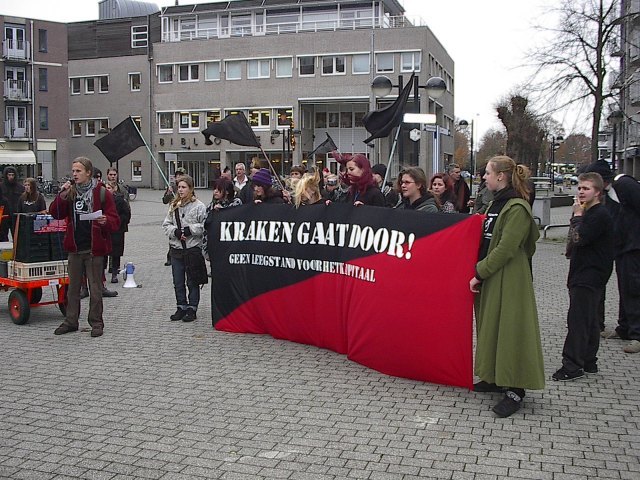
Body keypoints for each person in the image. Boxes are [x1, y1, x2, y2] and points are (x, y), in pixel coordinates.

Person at [469, 156, 544, 418]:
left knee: (511, 330)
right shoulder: (495, 204)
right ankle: (493, 376)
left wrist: (480, 271)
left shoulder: (517, 208)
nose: (484, 178)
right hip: (493, 275)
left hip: (509, 278)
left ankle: (516, 388)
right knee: (491, 327)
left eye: (487, 173)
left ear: (501, 175)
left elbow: (507, 248)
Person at [552, 172, 613, 380]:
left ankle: (572, 365)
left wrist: (577, 217)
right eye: (579, 188)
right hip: (585, 272)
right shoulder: (591, 212)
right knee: (590, 319)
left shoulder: (599, 215)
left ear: (597, 191)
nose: (581, 192)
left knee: (578, 320)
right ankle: (589, 361)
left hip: (590, 274)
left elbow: (579, 238)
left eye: (586, 189)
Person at [50, 157, 120, 338]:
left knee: (95, 288)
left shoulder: (102, 193)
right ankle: (71, 321)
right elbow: (55, 213)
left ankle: (96, 323)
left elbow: (115, 221)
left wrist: (105, 221)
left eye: (78, 171)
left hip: (94, 248)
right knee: (73, 288)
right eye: (73, 171)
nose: (74, 174)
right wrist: (61, 194)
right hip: (74, 247)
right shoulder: (70, 192)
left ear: (88, 173)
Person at [162, 174, 207, 322]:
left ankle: (192, 308)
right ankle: (181, 306)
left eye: (183, 187)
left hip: (192, 248)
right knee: (178, 281)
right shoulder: (174, 205)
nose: (180, 190)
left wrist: (189, 230)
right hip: (176, 249)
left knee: (192, 280)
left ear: (190, 188)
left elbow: (204, 226)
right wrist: (175, 232)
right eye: (179, 187)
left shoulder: (199, 206)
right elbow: (166, 224)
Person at [608, 173, 640, 353]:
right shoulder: (611, 191)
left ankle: (637, 334)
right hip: (622, 247)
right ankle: (624, 327)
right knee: (625, 288)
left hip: (633, 247)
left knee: (634, 288)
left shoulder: (625, 185)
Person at [105, 182, 131, 284]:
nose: (107, 190)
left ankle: (114, 273)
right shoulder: (101, 200)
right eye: (106, 188)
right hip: (105, 229)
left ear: (114, 189)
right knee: (103, 253)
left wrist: (117, 221)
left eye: (109, 188)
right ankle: (102, 274)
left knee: (116, 252)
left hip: (117, 230)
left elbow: (127, 214)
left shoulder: (120, 200)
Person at [162, 167, 185, 265]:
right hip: (173, 214)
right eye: (177, 175)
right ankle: (170, 257)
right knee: (173, 235)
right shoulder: (171, 187)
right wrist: (168, 192)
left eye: (181, 175)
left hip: (184, 214)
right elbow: (164, 200)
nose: (178, 177)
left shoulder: (186, 187)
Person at [1, 166, 25, 239]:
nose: (11, 177)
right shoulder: (1, 186)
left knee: (17, 237)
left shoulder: (20, 187)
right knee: (2, 237)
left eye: (12, 175)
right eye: (9, 175)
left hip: (15, 215)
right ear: (6, 175)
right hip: (3, 215)